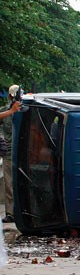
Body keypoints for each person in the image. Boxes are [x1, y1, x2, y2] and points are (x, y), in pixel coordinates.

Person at [1, 85, 21, 223]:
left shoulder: (27, 109)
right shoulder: (5, 111)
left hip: (24, 154)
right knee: (9, 185)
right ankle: (11, 213)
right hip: (9, 153)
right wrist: (12, 111)